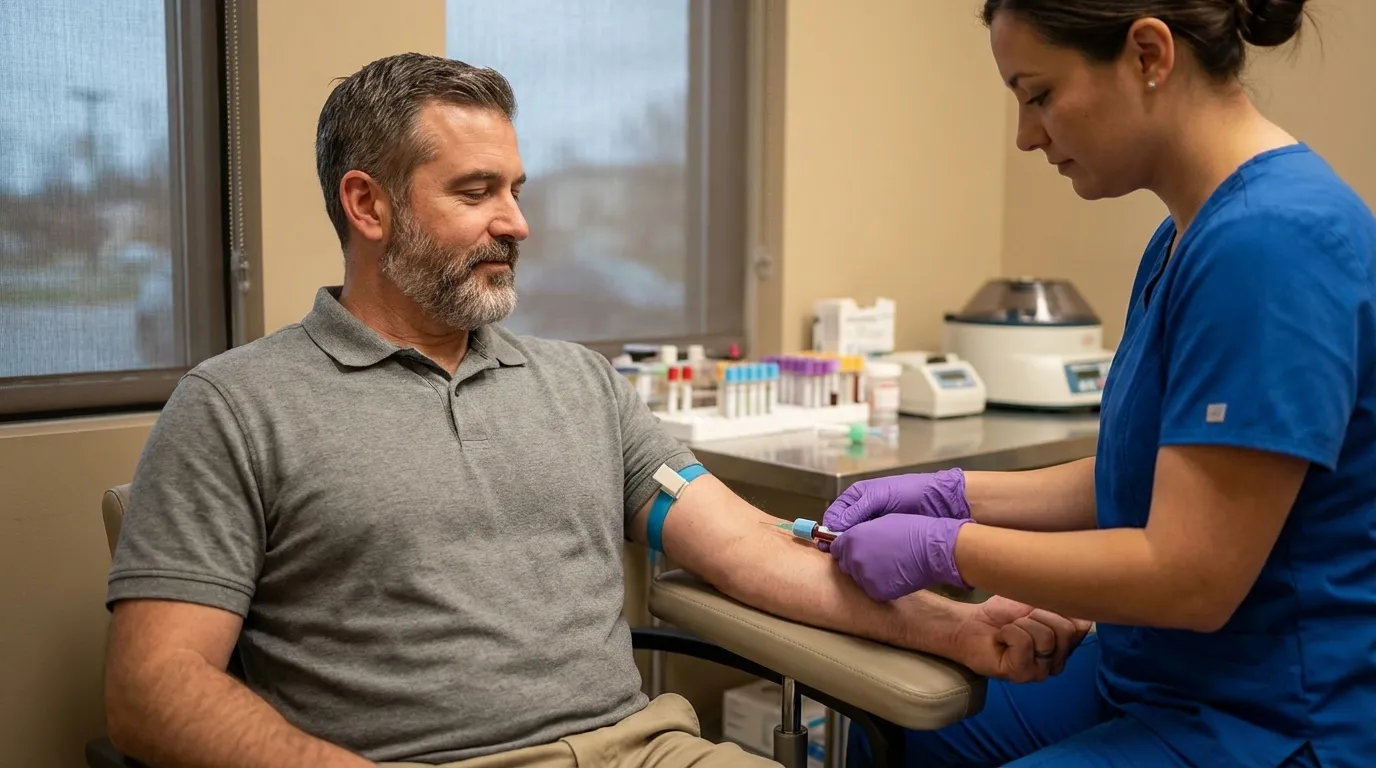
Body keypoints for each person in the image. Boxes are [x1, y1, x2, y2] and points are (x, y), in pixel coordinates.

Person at [100, 53, 1091, 768]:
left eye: (517, 190)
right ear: (368, 206)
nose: (517, 224)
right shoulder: (235, 408)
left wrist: (950, 628)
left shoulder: (576, 387)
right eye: (476, 192)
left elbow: (747, 550)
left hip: (645, 751)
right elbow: (152, 691)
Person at [823, 1, 1376, 766]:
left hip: (1265, 718)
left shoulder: (1271, 246)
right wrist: (950, 491)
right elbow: (1148, 478)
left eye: (1039, 94)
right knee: (896, 731)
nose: (1026, 135)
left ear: (1149, 55)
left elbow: (1191, 577)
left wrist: (950, 549)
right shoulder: (1184, 234)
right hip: (1152, 668)